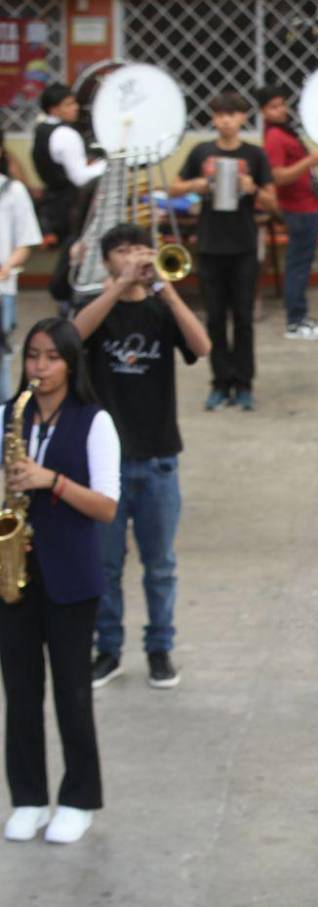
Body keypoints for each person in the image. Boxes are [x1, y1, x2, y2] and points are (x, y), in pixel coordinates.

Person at [71, 223, 211, 690]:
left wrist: (168, 293)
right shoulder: (96, 306)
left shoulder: (159, 309)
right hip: (103, 464)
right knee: (106, 564)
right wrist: (117, 286)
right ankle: (107, 648)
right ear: (107, 260)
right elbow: (71, 339)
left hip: (158, 457)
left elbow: (202, 346)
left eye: (139, 249)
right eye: (122, 251)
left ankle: (159, 648)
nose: (133, 257)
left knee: (161, 563)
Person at [0, 318, 119, 845]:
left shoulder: (94, 422)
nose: (40, 368)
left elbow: (107, 508)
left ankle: (78, 799)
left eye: (51, 358)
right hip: (15, 575)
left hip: (72, 576)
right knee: (21, 692)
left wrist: (52, 481)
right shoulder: (8, 417)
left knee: (72, 693)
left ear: (71, 364)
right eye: (32, 357)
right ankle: (27, 797)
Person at [169, 90, 275, 412]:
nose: (226, 120)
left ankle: (244, 383)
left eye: (232, 114)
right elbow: (174, 187)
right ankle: (219, 382)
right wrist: (195, 186)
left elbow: (273, 201)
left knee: (243, 318)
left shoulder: (255, 156)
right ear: (213, 119)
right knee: (214, 318)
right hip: (210, 244)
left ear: (243, 118)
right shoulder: (200, 151)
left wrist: (252, 189)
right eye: (220, 115)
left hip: (243, 245)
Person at [258, 86, 318, 341]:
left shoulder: (286, 132)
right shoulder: (275, 137)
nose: (281, 110)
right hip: (298, 209)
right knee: (297, 266)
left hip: (308, 206)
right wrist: (310, 161)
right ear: (263, 111)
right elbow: (277, 176)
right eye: (274, 107)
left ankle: (301, 316)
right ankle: (295, 321)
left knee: (303, 264)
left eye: (282, 105)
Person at [31, 84, 106, 314]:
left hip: (54, 202)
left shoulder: (41, 129)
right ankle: (68, 300)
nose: (75, 108)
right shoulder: (66, 134)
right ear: (55, 109)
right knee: (74, 255)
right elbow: (80, 177)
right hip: (69, 206)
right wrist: (108, 163)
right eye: (69, 104)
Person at [0, 169, 43, 399]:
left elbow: (26, 241)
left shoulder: (12, 190)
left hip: (1, 290)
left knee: (2, 361)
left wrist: (6, 268)